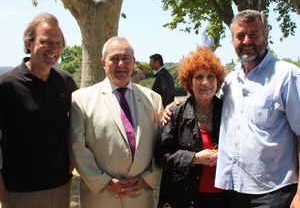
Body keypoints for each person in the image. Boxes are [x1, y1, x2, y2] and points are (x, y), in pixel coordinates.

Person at [163, 9, 300, 208]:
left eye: (254, 34)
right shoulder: (230, 81)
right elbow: (203, 97)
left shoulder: (288, 76)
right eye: (240, 35)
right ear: (232, 40)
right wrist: (175, 106)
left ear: (266, 36)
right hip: (233, 190)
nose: (246, 41)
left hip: (273, 193)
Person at [69, 36, 163, 208]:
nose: (121, 64)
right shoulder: (81, 99)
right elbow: (77, 148)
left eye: (126, 59)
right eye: (114, 59)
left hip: (141, 197)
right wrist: (104, 182)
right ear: (103, 62)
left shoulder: (153, 99)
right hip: (100, 198)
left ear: (134, 62)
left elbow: (162, 145)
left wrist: (148, 178)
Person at [0, 13, 77, 207]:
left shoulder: (65, 82)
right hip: (20, 190)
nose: (54, 49)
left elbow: (85, 120)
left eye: (58, 44)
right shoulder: (7, 85)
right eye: (46, 42)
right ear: (28, 43)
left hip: (61, 186)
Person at [155, 47, 227, 208]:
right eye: (198, 77)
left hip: (223, 198)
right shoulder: (175, 114)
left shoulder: (229, 111)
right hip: (185, 198)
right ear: (189, 81)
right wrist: (194, 158)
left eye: (211, 77)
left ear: (218, 81)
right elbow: (162, 155)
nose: (205, 83)